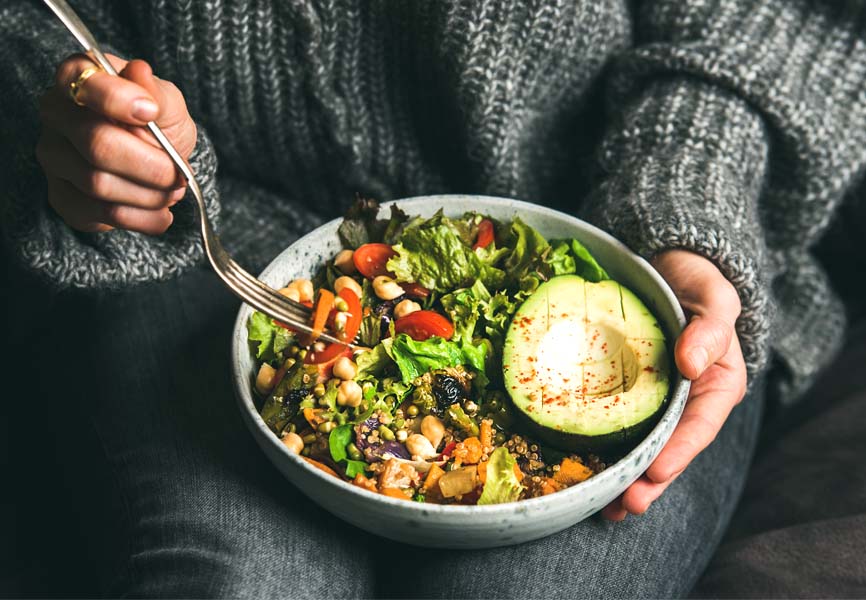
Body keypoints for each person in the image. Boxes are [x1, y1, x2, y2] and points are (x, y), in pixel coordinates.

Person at [1, 0, 862, 597]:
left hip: (620, 238)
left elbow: (774, 22)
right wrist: (77, 122)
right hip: (176, 251)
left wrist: (686, 191)